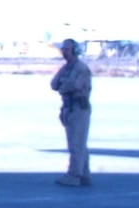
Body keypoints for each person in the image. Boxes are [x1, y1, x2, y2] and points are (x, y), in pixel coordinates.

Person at [51, 38, 93, 186]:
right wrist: (63, 83)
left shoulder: (81, 68)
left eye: (67, 49)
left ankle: (74, 175)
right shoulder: (67, 68)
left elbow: (71, 86)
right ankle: (84, 174)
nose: (64, 52)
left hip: (79, 108)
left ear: (74, 51)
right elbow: (54, 84)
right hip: (68, 107)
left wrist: (64, 84)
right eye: (63, 49)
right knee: (79, 143)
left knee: (76, 144)